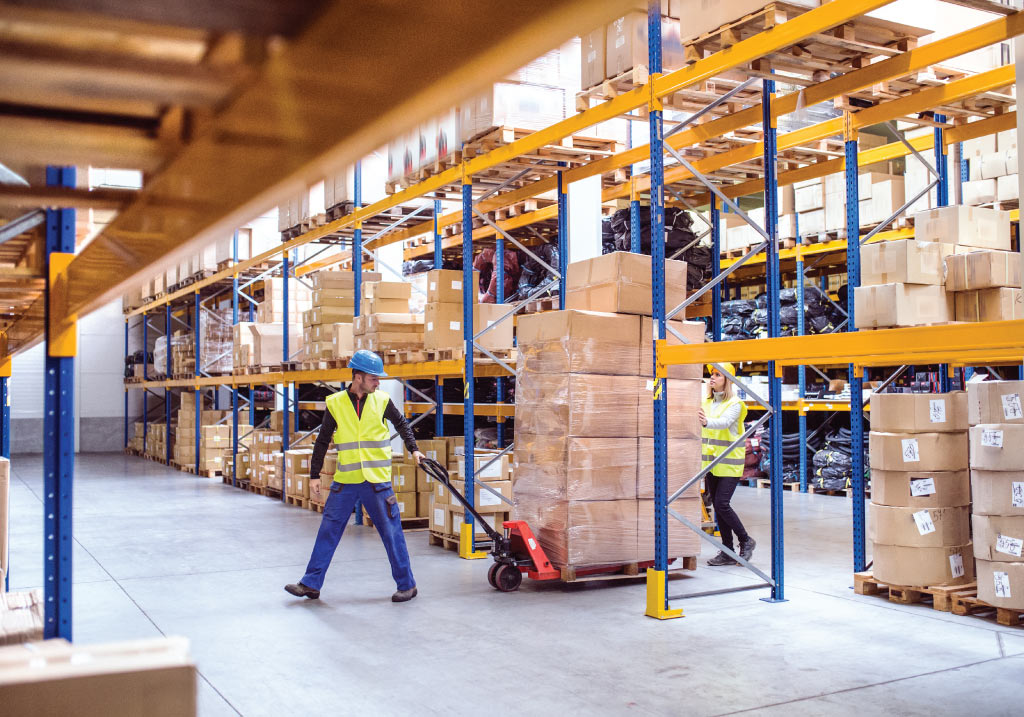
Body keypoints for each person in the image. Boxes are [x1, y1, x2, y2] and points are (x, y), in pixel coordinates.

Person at [285, 350, 425, 603]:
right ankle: (311, 583)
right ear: (358, 377)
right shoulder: (336, 403)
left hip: (377, 482)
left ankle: (407, 585)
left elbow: (403, 425)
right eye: (374, 378)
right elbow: (323, 440)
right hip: (346, 482)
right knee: (328, 530)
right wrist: (314, 475)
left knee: (392, 533)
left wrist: (414, 450)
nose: (378, 382)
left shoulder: (382, 401)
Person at [699, 363, 756, 566]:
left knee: (722, 503)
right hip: (711, 463)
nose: (712, 378)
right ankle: (727, 551)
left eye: (717, 375)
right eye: (711, 374)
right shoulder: (706, 402)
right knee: (717, 505)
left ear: (727, 380)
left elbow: (723, 422)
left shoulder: (735, 404)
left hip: (729, 462)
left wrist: (705, 422)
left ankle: (745, 540)